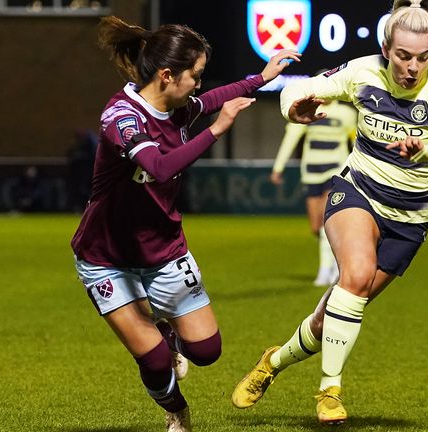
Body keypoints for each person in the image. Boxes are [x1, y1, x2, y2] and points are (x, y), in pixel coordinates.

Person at [231, 0, 428, 425]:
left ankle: (274, 361)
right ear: (386, 48)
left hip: (410, 220)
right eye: (403, 55)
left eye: (423, 57)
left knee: (334, 314)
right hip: (357, 191)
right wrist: (294, 107)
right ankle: (329, 390)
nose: (413, 67)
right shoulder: (362, 71)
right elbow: (296, 88)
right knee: (356, 277)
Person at [70, 16, 299, 432]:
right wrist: (216, 130)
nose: (198, 84)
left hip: (163, 249)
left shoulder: (175, 106)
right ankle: (176, 410)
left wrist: (262, 77)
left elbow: (213, 98)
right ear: (167, 75)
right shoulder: (121, 117)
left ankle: (169, 335)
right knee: (155, 362)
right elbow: (157, 167)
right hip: (106, 256)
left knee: (207, 351)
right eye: (195, 76)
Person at [269, 92, 357, 287]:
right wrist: (278, 167)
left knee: (328, 221)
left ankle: (327, 270)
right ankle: (334, 262)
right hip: (311, 172)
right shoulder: (307, 112)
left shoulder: (346, 113)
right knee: (316, 226)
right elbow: (291, 138)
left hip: (335, 170)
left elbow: (357, 142)